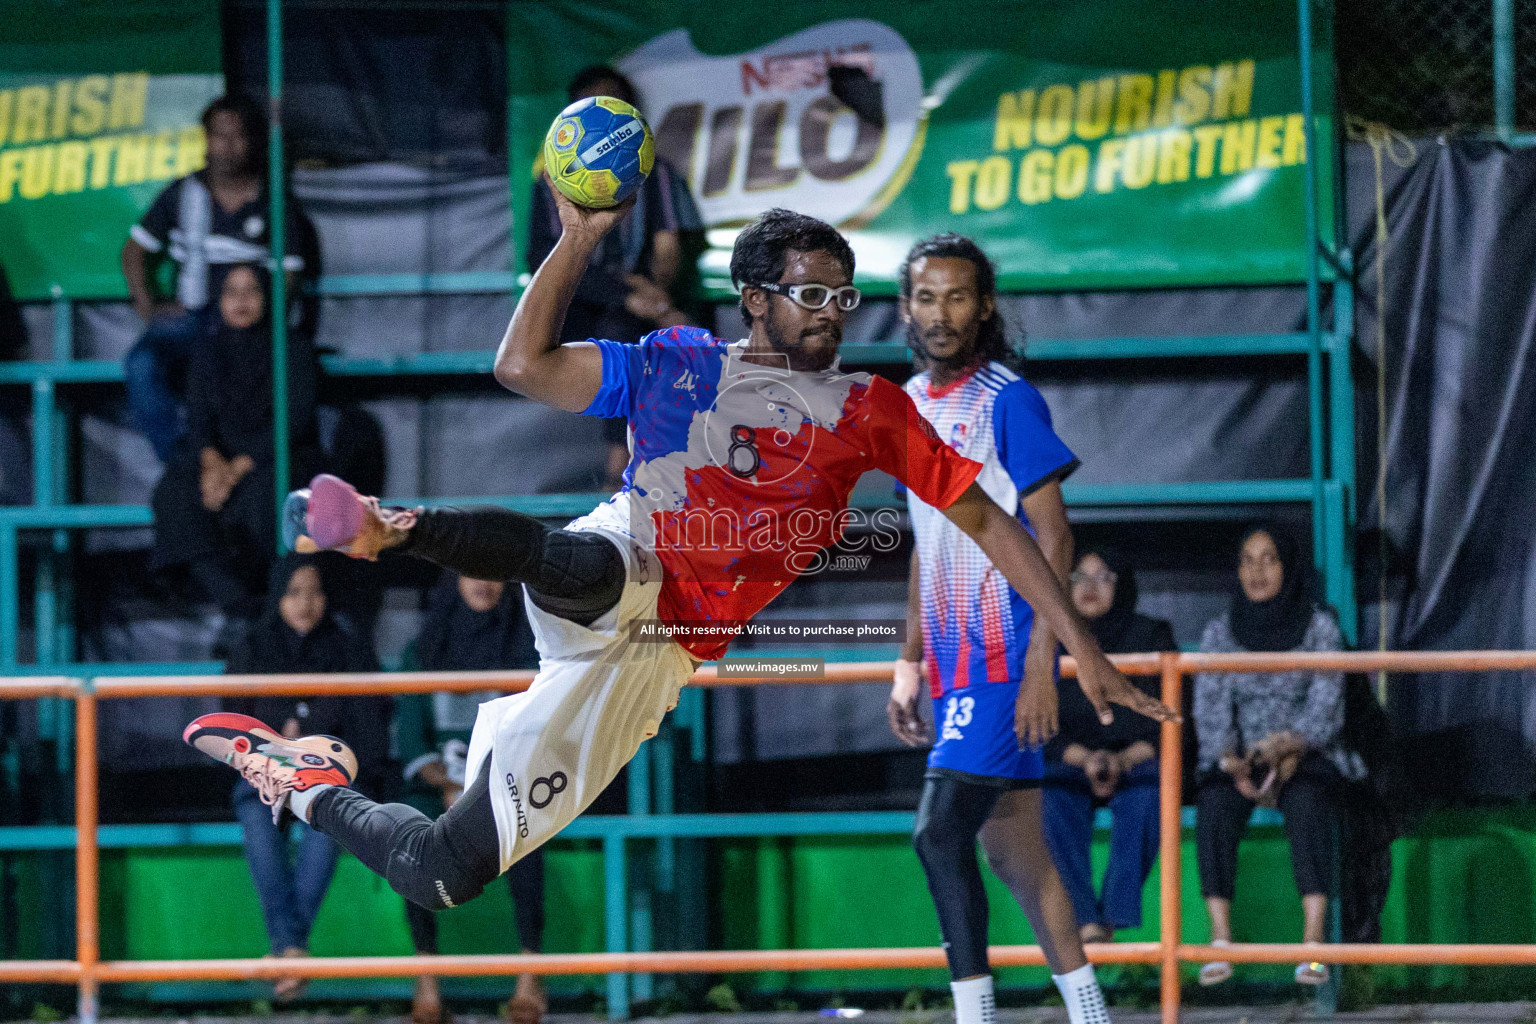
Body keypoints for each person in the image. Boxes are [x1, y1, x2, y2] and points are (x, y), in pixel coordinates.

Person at [184, 197, 1173, 1024]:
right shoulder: (678, 359)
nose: (832, 309)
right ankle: (397, 526)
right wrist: (576, 240)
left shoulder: (875, 410)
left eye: (843, 293)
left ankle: (303, 782)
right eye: (809, 292)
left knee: (441, 870)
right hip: (627, 551)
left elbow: (999, 527)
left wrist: (1082, 647)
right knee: (591, 563)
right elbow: (521, 367)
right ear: (754, 299)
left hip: (656, 660)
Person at [885, 233, 1103, 1024]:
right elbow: (927, 540)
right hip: (948, 665)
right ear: (907, 307)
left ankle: (975, 1017)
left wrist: (1045, 659)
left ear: (984, 308)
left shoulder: (1009, 399)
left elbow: (1056, 536)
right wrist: (908, 661)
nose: (941, 314)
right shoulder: (906, 403)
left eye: (957, 297)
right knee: (1016, 852)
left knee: (939, 835)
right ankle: (1091, 1015)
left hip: (1005, 654)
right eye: (926, 297)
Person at [1192, 524, 1364, 987]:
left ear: (1288, 568)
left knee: (1309, 802)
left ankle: (1312, 948)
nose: (1257, 571)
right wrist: (1233, 761)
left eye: (1269, 559)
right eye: (1247, 560)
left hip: (1307, 754)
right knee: (1213, 805)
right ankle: (1221, 940)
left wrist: (1287, 747)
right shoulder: (1221, 632)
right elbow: (1209, 711)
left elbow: (1327, 711)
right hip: (1243, 761)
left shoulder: (1318, 628)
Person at [526, 65, 703, 488]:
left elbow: (668, 249)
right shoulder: (552, 181)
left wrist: (657, 299)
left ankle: (648, 466)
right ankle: (618, 468)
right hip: (583, 306)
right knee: (621, 329)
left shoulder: (656, 172)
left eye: (617, 107)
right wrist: (629, 296)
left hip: (647, 303)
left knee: (668, 335)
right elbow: (540, 261)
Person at [221, 555, 389, 1001]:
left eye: (314, 591)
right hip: (265, 775)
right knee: (259, 825)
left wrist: (302, 732)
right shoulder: (253, 648)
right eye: (293, 592)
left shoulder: (349, 647)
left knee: (326, 826)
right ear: (277, 597)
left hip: (329, 777)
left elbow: (365, 721)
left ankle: (287, 950)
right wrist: (293, 735)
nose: (305, 603)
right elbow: (236, 723)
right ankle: (293, 949)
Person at [121, 93, 320, 462]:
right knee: (141, 364)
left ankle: (243, 466)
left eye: (238, 135)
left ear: (253, 141)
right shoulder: (181, 194)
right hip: (192, 321)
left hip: (251, 329)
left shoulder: (275, 202)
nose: (228, 146)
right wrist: (148, 307)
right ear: (206, 140)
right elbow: (134, 251)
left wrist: (266, 318)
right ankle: (183, 464)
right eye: (219, 135)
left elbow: (291, 273)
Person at [397, 573, 544, 1024]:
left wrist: (476, 788)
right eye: (472, 572)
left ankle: (530, 977)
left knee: (527, 836)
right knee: (411, 845)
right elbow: (409, 737)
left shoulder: (526, 650)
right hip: (435, 787)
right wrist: (445, 784)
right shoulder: (420, 652)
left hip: (503, 784)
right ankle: (427, 979)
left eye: (495, 573)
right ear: (451, 581)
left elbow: (530, 733)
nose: (485, 583)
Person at [150, 263, 324, 640]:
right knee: (175, 496)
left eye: (252, 291)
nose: (241, 300)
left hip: (274, 455)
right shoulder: (208, 350)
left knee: (267, 499)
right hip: (218, 459)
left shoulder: (291, 348)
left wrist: (237, 469)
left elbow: (294, 419)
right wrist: (212, 463)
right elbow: (197, 417)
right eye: (232, 291)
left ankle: (270, 604)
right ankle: (239, 608)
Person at [1041, 547, 1177, 943]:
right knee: (1048, 802)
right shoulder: (1049, 639)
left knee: (1150, 797)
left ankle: (1113, 919)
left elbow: (1164, 718)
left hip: (1136, 760)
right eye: (1079, 577)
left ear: (1123, 584)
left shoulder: (1151, 635)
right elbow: (1039, 722)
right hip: (1071, 760)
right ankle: (1085, 922)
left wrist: (1120, 759)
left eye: (1102, 577)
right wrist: (1087, 759)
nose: (1089, 587)